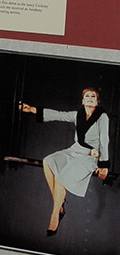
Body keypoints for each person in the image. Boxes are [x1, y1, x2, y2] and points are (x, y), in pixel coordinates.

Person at [19, 87, 109, 234]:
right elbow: (59, 115)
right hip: (74, 150)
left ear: (97, 101)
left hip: (89, 156)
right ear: (82, 100)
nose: (90, 98)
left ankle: (54, 216)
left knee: (61, 176)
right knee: (48, 161)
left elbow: (105, 140)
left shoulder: (102, 117)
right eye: (87, 96)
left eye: (93, 96)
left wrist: (104, 165)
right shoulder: (77, 115)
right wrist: (32, 110)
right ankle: (59, 206)